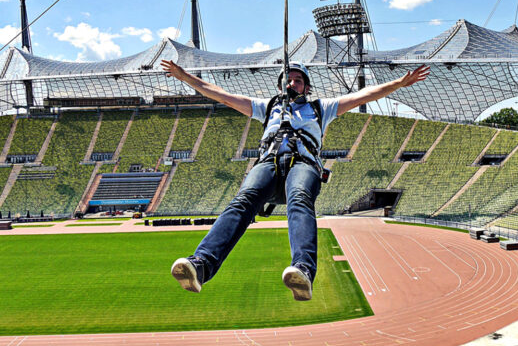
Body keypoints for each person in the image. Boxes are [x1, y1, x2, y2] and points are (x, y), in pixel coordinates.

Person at [161, 59, 430, 300]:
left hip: (303, 164)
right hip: (268, 164)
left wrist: (399, 83)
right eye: (288, 80)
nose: (292, 83)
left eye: (298, 80)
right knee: (243, 201)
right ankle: (201, 265)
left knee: (300, 200)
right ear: (281, 86)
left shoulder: (320, 108)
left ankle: (302, 269)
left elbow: (362, 96)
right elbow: (223, 96)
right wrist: (185, 77)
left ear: (307, 87)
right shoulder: (266, 107)